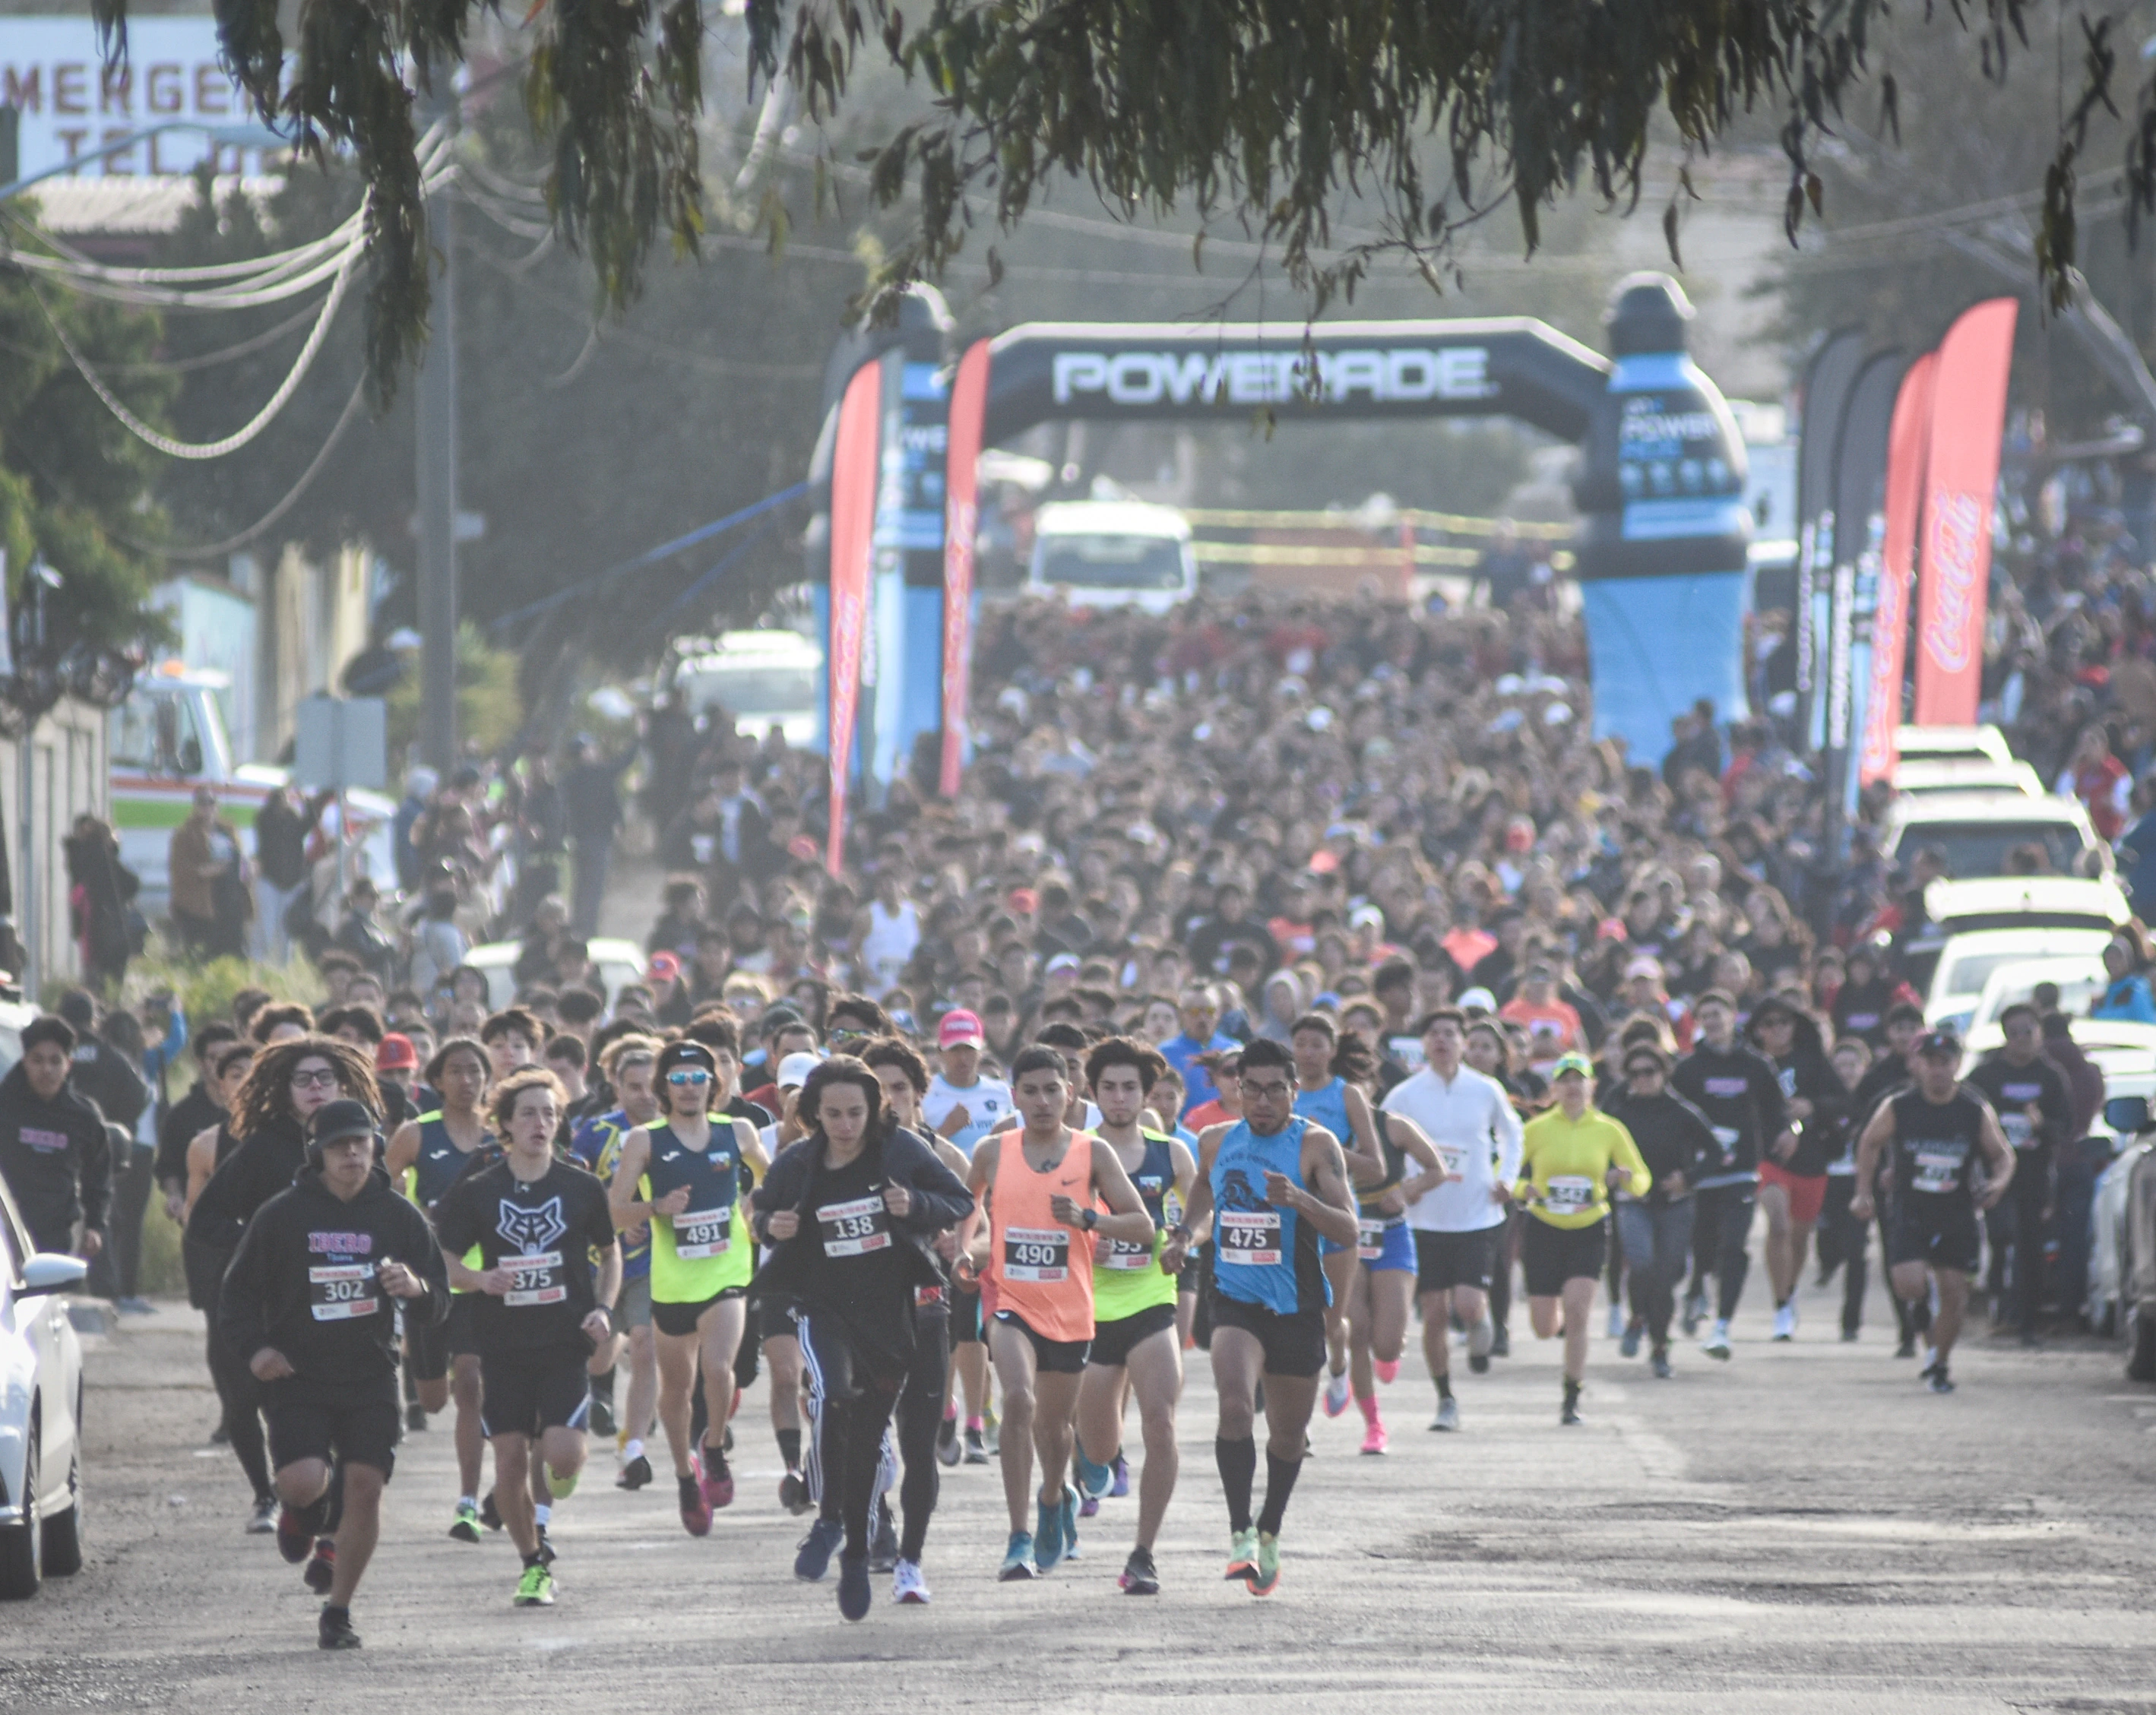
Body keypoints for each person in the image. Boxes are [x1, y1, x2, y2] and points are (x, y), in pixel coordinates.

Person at [217, 1098, 451, 1649]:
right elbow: (237, 1296)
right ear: (316, 1153)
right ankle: (307, 1514)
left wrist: (416, 1289)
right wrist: (256, 1350)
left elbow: (440, 1301)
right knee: (302, 1481)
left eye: (361, 1143)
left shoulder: (398, 1215)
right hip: (299, 1375)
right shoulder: (282, 1214)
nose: (351, 1154)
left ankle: (338, 1610)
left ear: (376, 1146)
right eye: (338, 1145)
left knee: (365, 1488)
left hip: (370, 1375)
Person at [1174, 1036, 1358, 1596]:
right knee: (1234, 1406)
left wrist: (1300, 1200)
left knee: (1287, 1436)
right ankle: (1240, 1536)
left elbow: (1349, 1228)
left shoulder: (1316, 1146)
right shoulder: (1214, 1141)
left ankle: (1270, 1527)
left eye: (1275, 1090)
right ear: (1236, 1089)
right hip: (1234, 1298)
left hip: (1297, 1306)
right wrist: (1184, 1235)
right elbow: (1202, 1195)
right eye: (1251, 1088)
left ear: (1294, 1091)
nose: (1261, 1101)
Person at [434, 1068, 621, 1606]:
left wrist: (604, 1309)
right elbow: (445, 1261)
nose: (540, 1122)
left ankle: (561, 1473)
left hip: (564, 1340)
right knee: (511, 1461)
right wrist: (479, 1279)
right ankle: (532, 1563)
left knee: (561, 1454)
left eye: (549, 1113)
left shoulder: (580, 1186)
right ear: (506, 1125)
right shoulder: (480, 1191)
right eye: (529, 1113)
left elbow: (610, 1256)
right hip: (502, 1344)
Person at [967, 1044, 1153, 1582]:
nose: (1043, 1101)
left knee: (1054, 1429)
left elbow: (1142, 1226)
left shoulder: (1092, 1152)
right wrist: (965, 1250)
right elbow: (966, 1209)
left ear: (1070, 1094)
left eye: (1052, 1090)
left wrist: (1089, 1219)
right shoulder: (992, 1151)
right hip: (1009, 1301)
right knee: (1018, 1400)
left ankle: (1054, 1495)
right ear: (1014, 1096)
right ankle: (1018, 1536)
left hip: (1070, 1312)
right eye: (1031, 1091)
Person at [188, 1036, 378, 1554]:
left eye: (325, 1077)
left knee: (331, 1414)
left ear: (343, 1085)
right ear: (285, 1088)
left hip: (341, 1307)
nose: (315, 1087)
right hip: (267, 1304)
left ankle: (315, 1516)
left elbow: (387, 1214)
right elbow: (205, 1219)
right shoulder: (262, 1147)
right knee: (252, 1402)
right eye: (303, 1079)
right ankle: (271, 1496)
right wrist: (258, 1244)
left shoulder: (361, 1141)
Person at [605, 1039, 767, 1536]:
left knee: (717, 1368)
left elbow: (775, 1178)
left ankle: (713, 1447)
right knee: (676, 1389)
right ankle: (684, 1476)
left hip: (727, 1273)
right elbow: (613, 1211)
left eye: (699, 1078)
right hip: (673, 1282)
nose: (690, 1087)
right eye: (679, 1079)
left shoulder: (737, 1131)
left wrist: (756, 1206)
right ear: (665, 1087)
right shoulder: (644, 1141)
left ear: (714, 1084)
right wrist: (654, 1208)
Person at [1071, 1036, 1198, 1594]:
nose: (1119, 1097)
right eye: (1109, 1088)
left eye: (1129, 1087)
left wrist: (1185, 1239)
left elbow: (1200, 1211)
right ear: (1092, 1093)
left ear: (1146, 1093)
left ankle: (1143, 1553)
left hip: (1151, 1301)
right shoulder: (1075, 1153)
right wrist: (1085, 1241)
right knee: (1099, 1448)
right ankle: (1096, 1459)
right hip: (1089, 1309)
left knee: (1161, 1421)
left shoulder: (1171, 1153)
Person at [858, 1035, 980, 1599]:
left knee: (918, 1440)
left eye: (900, 1088)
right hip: (861, 1316)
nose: (890, 1099)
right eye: (878, 1088)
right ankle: (878, 1522)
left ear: (918, 1094)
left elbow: (973, 1217)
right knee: (864, 1434)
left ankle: (912, 1558)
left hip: (927, 1309)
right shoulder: (841, 1151)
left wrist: (958, 1244)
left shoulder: (943, 1155)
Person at [1381, 1008, 1523, 1433]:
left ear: (1463, 1042)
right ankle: (1446, 1399)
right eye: (1434, 1034)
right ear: (1424, 1043)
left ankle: (1480, 1323)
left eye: (1450, 1033)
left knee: (1467, 1304)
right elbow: (1380, 1141)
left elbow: (1513, 1134)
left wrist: (1507, 1178)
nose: (1441, 1040)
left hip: (1476, 1214)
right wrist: (1400, 1186)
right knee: (1434, 1314)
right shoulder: (1405, 1094)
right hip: (1423, 1219)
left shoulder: (1485, 1089)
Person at [1851, 1032, 2016, 1394]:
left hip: (1958, 1213)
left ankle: (1939, 1363)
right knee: (1909, 1283)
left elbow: (2003, 1154)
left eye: (1945, 1062)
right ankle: (1922, 1307)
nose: (1938, 1070)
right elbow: (1870, 1142)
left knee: (1956, 1295)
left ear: (1957, 1065)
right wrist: (1863, 1191)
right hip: (1911, 1209)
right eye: (1930, 1062)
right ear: (1917, 1065)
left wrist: (1999, 1183)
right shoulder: (1899, 1106)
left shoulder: (1974, 1110)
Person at [381, 1037, 493, 1525]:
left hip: (480, 1280)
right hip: (428, 1282)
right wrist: (409, 1216)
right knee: (432, 1400)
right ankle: (421, 1363)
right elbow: (377, 1189)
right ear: (437, 1081)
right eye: (456, 1072)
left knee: (471, 1384)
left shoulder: (499, 1134)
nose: (467, 1081)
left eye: (475, 1071)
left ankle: (468, 1499)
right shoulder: (416, 1134)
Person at [1514, 1052, 1651, 1424]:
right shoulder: (1537, 1129)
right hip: (1543, 1227)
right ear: (1554, 1088)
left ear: (1592, 1086)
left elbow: (1642, 1177)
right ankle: (1557, 1320)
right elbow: (1504, 1171)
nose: (1573, 1087)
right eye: (1565, 1080)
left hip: (1589, 1227)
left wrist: (1626, 1180)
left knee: (1578, 1312)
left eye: (1580, 1080)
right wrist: (1524, 1189)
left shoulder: (1609, 1129)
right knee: (1544, 1328)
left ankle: (1571, 1396)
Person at [1672, 989, 1791, 1359]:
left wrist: (1789, 1131)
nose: (1713, 1021)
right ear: (1699, 1022)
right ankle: (1697, 1288)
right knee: (1703, 1246)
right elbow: (1673, 1117)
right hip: (1702, 1174)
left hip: (1742, 1171)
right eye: (1705, 1015)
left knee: (1734, 1247)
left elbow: (1777, 1110)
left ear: (1733, 1017)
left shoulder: (1756, 1065)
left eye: (1718, 1014)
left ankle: (1722, 1325)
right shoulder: (1689, 1069)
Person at [568, 1035, 663, 1489]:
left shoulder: (678, 1133)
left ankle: (634, 1448)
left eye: (651, 1086)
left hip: (654, 1265)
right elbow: (572, 1188)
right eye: (634, 1087)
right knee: (597, 1360)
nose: (645, 1096)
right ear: (617, 1089)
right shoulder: (596, 1132)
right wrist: (615, 1219)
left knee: (647, 1346)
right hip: (600, 1263)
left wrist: (650, 1217)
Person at [1287, 1013, 1388, 1418]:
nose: (1308, 1053)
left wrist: (1324, 1147)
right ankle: (1298, 1415)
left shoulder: (1347, 1096)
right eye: (1301, 1044)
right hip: (1290, 1214)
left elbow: (1376, 1167)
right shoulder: (1282, 1092)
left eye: (1317, 1045)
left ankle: (1339, 1363)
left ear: (1332, 1051)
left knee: (1330, 1320)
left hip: (1336, 1215)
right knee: (1292, 1320)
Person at [1338, 1087, 1448, 1451]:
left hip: (1391, 1235)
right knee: (1356, 1330)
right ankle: (1374, 1426)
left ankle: (1387, 1355)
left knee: (1386, 1344)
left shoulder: (1395, 1127)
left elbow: (1437, 1170)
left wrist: (1407, 1190)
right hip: (1346, 1238)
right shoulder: (1325, 1129)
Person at [1600, 1043, 1715, 1376]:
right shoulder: (1618, 1115)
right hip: (1633, 1203)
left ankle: (1660, 1347)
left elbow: (1716, 1152)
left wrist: (1689, 1179)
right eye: (1634, 1073)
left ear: (1664, 1073)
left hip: (1675, 1205)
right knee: (1641, 1265)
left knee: (1665, 1277)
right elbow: (1599, 1152)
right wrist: (1610, 1173)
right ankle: (1638, 1316)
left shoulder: (1683, 1112)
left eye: (1649, 1072)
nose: (1642, 1079)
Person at [1961, 1003, 2071, 1343]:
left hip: (2033, 1174)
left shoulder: (2051, 1077)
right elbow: (1962, 1117)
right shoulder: (1985, 1075)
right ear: (2004, 1036)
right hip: (1993, 1173)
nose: (2022, 1038)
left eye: (2029, 1031)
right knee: (2000, 1236)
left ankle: (2027, 1323)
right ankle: (1995, 1303)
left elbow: (2065, 1127)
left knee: (2030, 1246)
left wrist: (2041, 1126)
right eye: (2014, 1032)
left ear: (2040, 1034)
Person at [1747, 995, 1845, 1342]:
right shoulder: (1750, 1063)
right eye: (1769, 1023)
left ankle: (1790, 1290)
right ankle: (1780, 1306)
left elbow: (1844, 1101)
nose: (1777, 1030)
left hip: (1810, 1159)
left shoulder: (1812, 1061)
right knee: (1777, 1224)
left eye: (1784, 1022)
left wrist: (1812, 1107)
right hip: (1767, 1156)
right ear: (1757, 1029)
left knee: (1800, 1236)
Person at [0, 1014, 113, 1261]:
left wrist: (95, 1226)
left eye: (55, 1061)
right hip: (5, 1235)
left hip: (56, 1237)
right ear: (25, 1061)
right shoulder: (5, 1107)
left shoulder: (83, 1116)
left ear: (68, 1064)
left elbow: (98, 1176)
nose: (46, 1070)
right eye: (37, 1060)